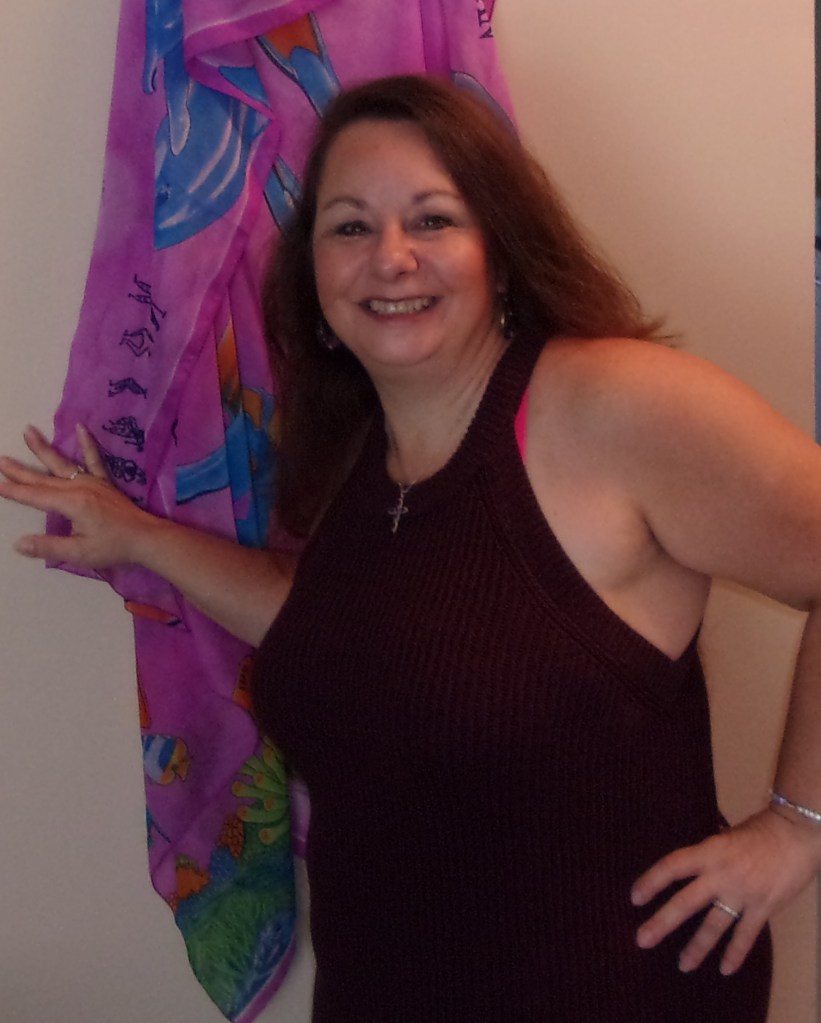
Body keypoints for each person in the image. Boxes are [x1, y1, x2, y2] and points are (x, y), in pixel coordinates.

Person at [1, 74, 820, 1022]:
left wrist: (798, 827)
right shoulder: (359, 446)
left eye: (432, 219)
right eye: (349, 227)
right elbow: (347, 631)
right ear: (313, 274)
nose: (390, 258)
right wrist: (139, 537)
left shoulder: (614, 406)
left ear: (500, 252)